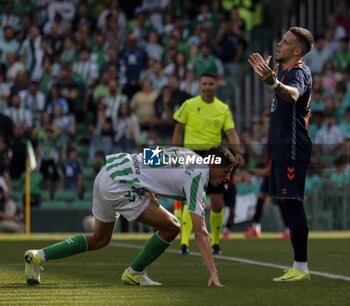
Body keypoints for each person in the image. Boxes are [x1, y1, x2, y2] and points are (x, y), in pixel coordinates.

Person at [24, 145, 237, 287]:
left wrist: (147, 188)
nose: (227, 178)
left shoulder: (185, 153)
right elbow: (199, 231)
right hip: (120, 186)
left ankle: (37, 256)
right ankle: (134, 272)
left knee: (100, 240)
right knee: (173, 227)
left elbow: (148, 157)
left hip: (108, 172)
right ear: (213, 164)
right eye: (226, 171)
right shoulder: (200, 175)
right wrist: (214, 273)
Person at [248, 26, 314, 282]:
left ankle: (301, 267)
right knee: (287, 202)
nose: (279, 44)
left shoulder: (298, 72)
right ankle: (299, 266)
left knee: (293, 202)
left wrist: (274, 83)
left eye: (285, 42)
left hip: (293, 147)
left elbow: (294, 95)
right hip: (281, 147)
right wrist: (273, 81)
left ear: (297, 50)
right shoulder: (285, 71)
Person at [172, 72, 243, 255]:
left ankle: (216, 243)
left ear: (216, 85)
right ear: (199, 85)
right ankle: (184, 243)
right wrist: (176, 152)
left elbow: (231, 132)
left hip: (214, 155)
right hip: (192, 154)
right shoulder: (189, 105)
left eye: (211, 84)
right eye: (204, 84)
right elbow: (178, 131)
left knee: (217, 202)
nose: (207, 87)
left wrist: (237, 152)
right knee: (191, 200)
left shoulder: (223, 108)